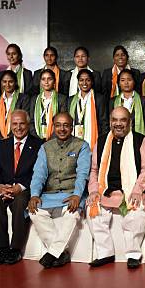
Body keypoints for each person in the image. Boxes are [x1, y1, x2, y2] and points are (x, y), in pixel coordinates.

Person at [86, 107, 145, 269]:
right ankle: (105, 253)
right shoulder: (101, 141)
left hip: (131, 190)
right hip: (107, 190)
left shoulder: (140, 140)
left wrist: (137, 190)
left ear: (130, 122)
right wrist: (94, 190)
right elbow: (94, 170)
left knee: (137, 210)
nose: (118, 124)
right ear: (110, 122)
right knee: (92, 208)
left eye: (123, 120)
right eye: (114, 120)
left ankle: (133, 254)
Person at [28, 112, 91, 268]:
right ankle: (60, 253)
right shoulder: (45, 147)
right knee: (34, 213)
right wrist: (35, 195)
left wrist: (77, 195)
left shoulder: (82, 145)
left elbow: (82, 173)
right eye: (58, 125)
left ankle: (52, 253)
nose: (62, 129)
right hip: (49, 195)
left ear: (72, 127)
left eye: (66, 125)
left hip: (72, 194)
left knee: (72, 214)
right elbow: (39, 174)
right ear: (53, 126)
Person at [0, 110, 43, 265]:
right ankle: (3, 248)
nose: (18, 127)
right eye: (15, 124)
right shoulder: (0, 145)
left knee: (19, 203)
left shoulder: (39, 145)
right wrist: (0, 187)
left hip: (25, 190)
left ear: (28, 124)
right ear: (10, 125)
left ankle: (16, 249)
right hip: (5, 189)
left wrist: (20, 186)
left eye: (22, 123)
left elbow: (38, 172)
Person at [68, 69, 109, 151]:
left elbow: (104, 122)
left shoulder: (99, 99)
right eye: (81, 80)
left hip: (94, 140)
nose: (84, 83)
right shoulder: (71, 100)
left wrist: (101, 142)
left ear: (92, 82)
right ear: (78, 82)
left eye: (88, 80)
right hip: (74, 140)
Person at [0, 70, 29, 141]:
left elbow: (24, 121)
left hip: (17, 138)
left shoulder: (24, 98)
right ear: (1, 82)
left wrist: (11, 138)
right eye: (4, 82)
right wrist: (0, 138)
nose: (7, 85)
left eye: (10, 82)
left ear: (15, 82)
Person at [29, 69, 68, 141]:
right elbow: (31, 121)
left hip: (55, 139)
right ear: (40, 82)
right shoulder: (34, 99)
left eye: (49, 79)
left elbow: (62, 122)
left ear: (54, 81)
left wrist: (51, 138)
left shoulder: (62, 99)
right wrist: (37, 138)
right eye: (43, 79)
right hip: (36, 140)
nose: (46, 82)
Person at [109, 69, 145, 138]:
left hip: (138, 138)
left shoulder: (143, 100)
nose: (126, 83)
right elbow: (110, 123)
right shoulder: (113, 101)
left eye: (129, 80)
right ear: (118, 83)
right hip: (118, 137)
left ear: (134, 82)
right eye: (122, 80)